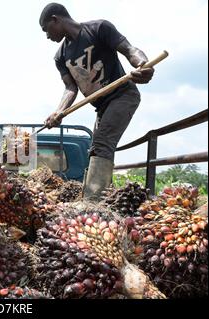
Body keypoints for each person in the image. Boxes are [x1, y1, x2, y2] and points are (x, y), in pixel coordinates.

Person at [39, 3, 155, 201]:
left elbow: (130, 50)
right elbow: (70, 88)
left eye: (46, 30)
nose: (47, 36)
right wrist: (58, 111)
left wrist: (143, 64)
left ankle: (92, 204)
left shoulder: (99, 29)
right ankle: (102, 197)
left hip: (123, 95)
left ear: (55, 20)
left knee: (101, 145)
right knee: (95, 149)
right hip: (101, 106)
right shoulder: (61, 56)